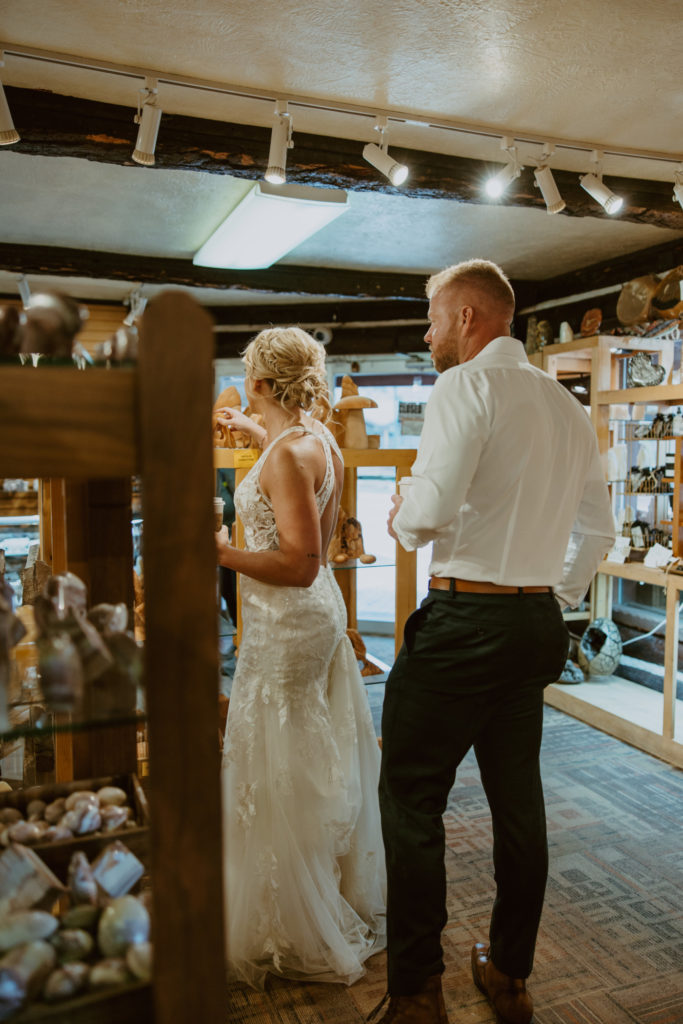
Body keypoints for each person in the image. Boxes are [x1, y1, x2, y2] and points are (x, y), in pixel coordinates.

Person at [374, 260, 615, 1024]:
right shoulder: (568, 408)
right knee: (519, 802)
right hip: (532, 625)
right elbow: (598, 532)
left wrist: (404, 511)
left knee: (411, 797)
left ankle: (416, 990)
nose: (427, 333)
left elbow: (428, 509)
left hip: (462, 623)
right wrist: (552, 600)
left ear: (470, 319)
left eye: (433, 319)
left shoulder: (463, 386)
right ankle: (509, 973)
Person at [214, 326, 386, 989]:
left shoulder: (290, 454)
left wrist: (220, 553)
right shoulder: (314, 441)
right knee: (305, 756)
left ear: (259, 380)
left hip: (287, 620)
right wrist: (251, 433)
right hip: (311, 617)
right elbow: (284, 460)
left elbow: (298, 562)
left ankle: (291, 914)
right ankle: (313, 884)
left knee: (277, 757)